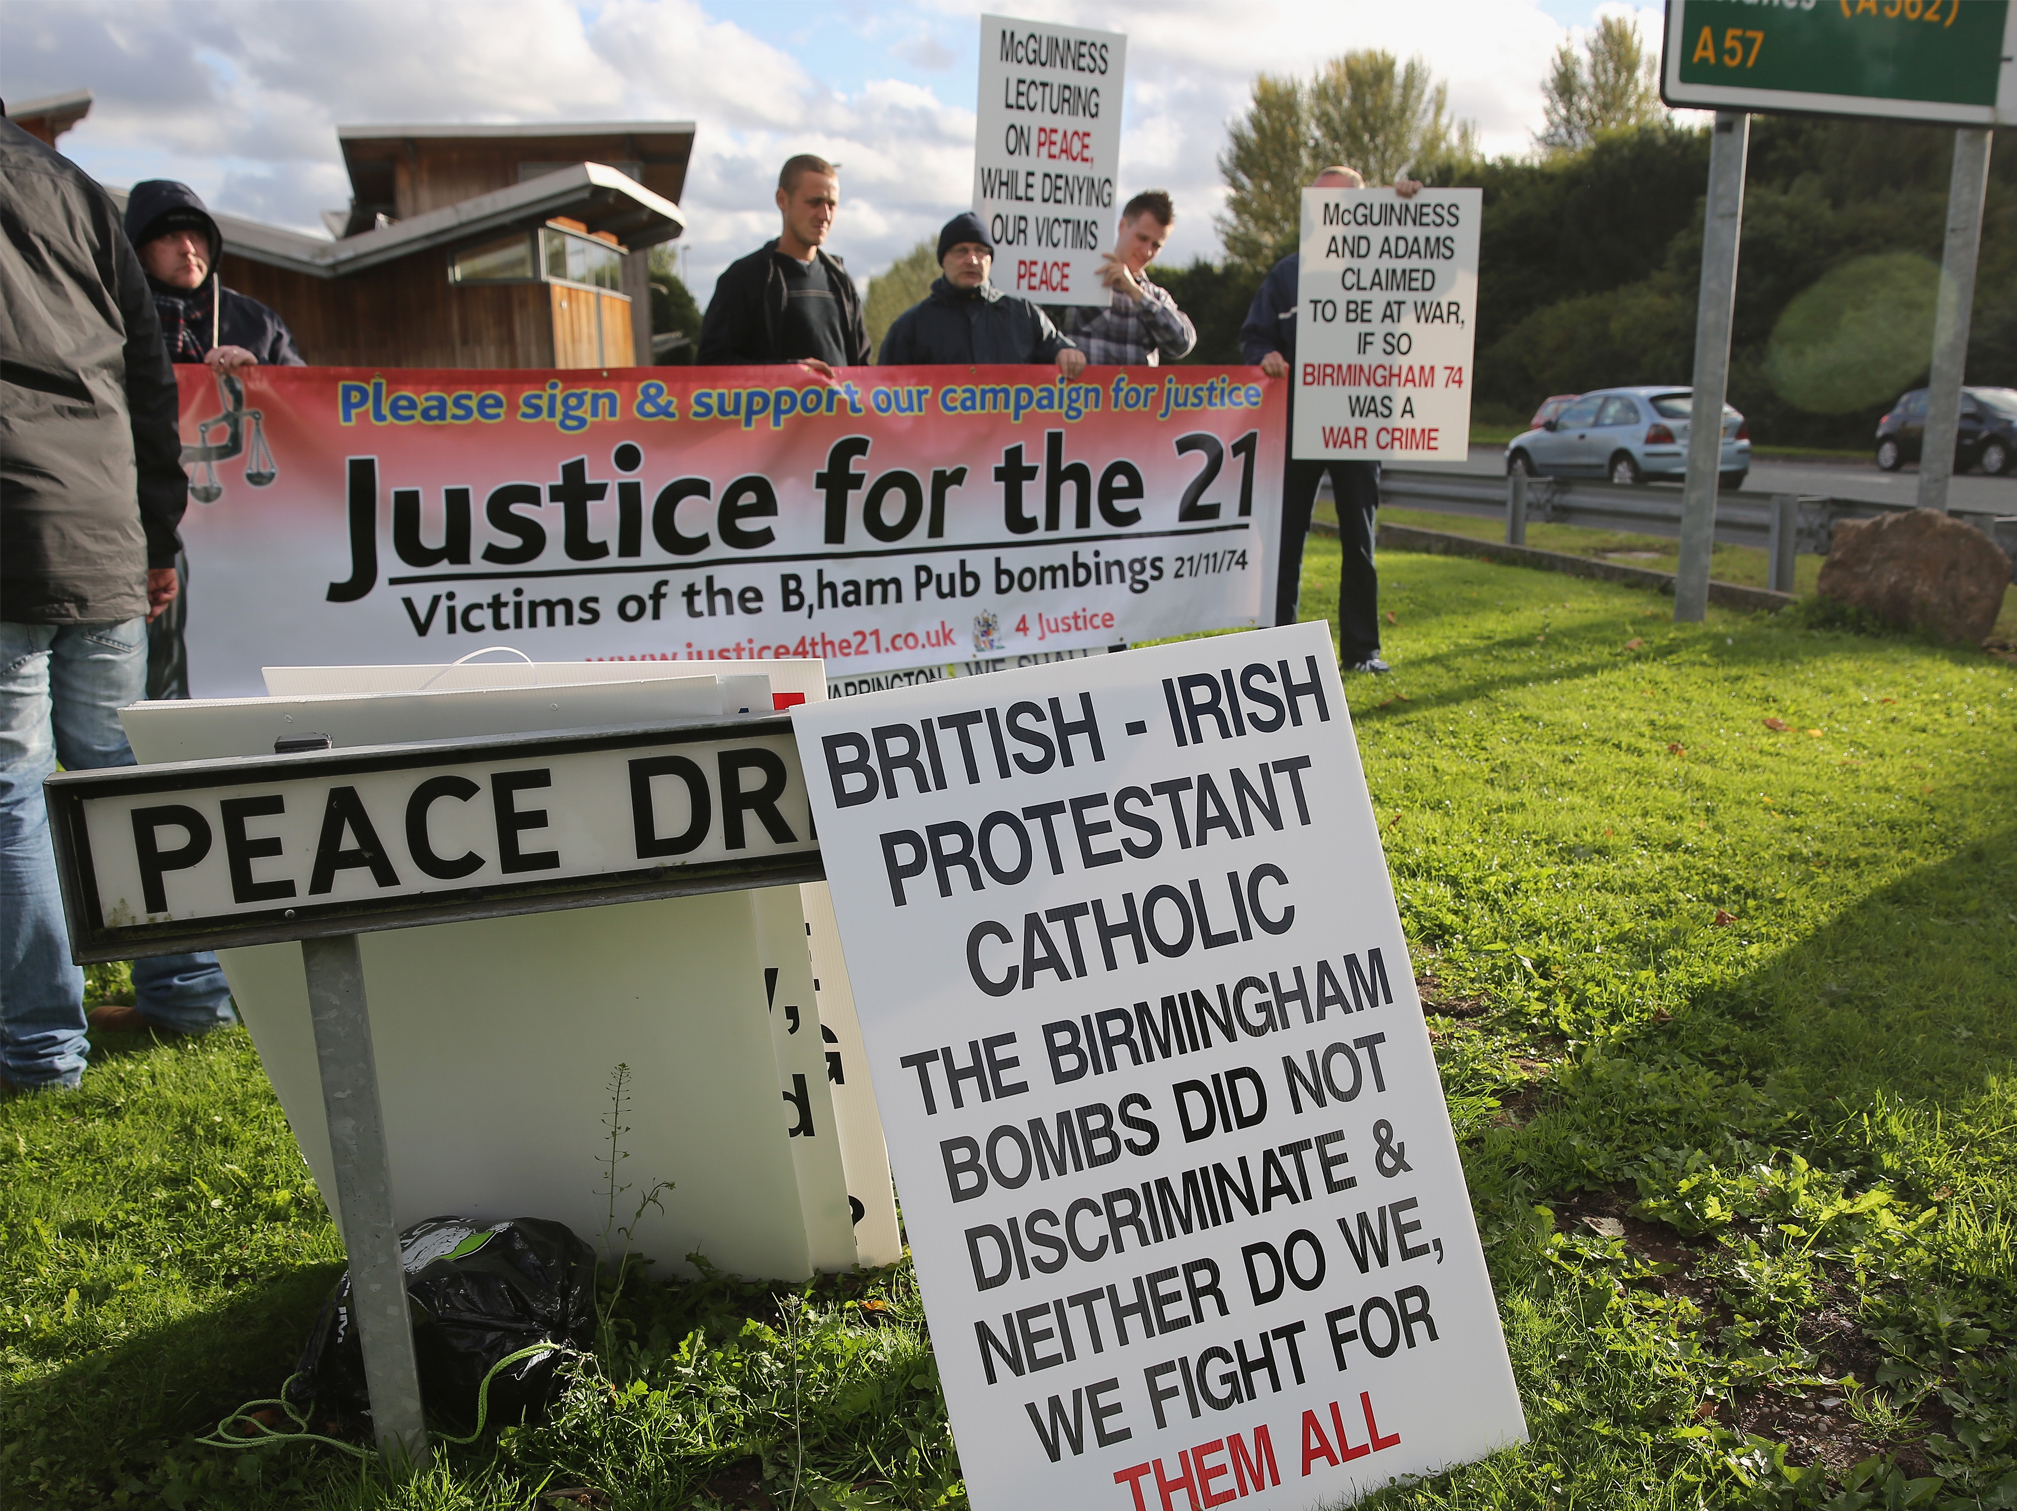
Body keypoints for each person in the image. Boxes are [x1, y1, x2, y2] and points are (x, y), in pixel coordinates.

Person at [1, 116, 237, 1091]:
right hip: (103, 519)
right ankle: (187, 989)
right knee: (119, 769)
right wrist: (156, 528)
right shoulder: (69, 186)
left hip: (21, 520)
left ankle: (39, 1043)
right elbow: (146, 368)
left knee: (13, 788)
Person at [123, 181, 303, 700]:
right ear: (138, 249)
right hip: (147, 522)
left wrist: (260, 377)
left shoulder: (255, 321)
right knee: (159, 652)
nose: (188, 249)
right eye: (170, 238)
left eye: (198, 237)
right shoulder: (111, 319)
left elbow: (308, 416)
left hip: (246, 525)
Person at [1242, 167, 1419, 675]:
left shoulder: (1387, 263)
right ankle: (1274, 650)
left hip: (1357, 423)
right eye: (1320, 202)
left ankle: (1363, 652)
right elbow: (1253, 337)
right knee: (1284, 541)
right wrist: (1267, 356)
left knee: (1360, 541)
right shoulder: (1287, 274)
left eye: (1343, 201)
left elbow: (1436, 280)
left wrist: (1409, 209)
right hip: (1295, 425)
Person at [697, 154, 871, 375]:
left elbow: (864, 371)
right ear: (782, 200)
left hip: (839, 411)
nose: (824, 215)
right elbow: (711, 368)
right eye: (814, 202)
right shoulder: (743, 279)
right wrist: (791, 373)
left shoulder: (840, 281)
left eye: (832, 205)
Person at [879, 213, 1087, 376]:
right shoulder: (912, 326)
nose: (972, 260)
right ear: (943, 260)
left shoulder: (1024, 315)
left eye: (981, 251)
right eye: (961, 251)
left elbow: (1059, 349)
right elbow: (884, 392)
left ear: (990, 260)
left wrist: (1068, 354)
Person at [1058, 189, 1195, 366]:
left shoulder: (1156, 296)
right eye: (1142, 238)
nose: (1147, 251)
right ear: (1123, 226)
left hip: (1136, 393)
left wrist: (1136, 293)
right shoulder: (1076, 278)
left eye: (1156, 245)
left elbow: (1181, 344)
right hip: (1081, 393)